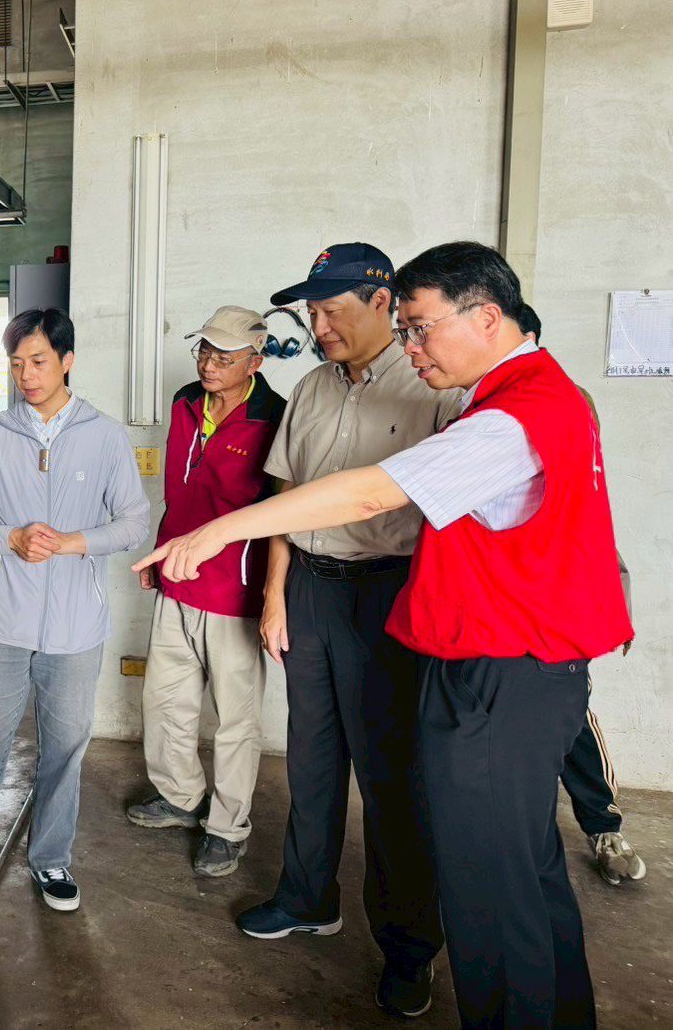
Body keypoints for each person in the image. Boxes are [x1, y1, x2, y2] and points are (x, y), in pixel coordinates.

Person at [138, 241, 633, 1028]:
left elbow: (371, 495)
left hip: (496, 674)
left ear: (485, 315)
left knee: (486, 893)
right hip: (479, 655)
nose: (411, 345)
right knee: (524, 877)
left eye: (419, 327)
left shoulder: (510, 416)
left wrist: (217, 530)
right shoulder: (530, 394)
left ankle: (431, 965)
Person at [204, 244, 451, 1017]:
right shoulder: (309, 388)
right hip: (310, 592)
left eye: (332, 309)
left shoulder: (431, 388)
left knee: (390, 779)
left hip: (387, 598)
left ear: (383, 302)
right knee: (309, 761)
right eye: (310, 312)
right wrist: (275, 595)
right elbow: (288, 496)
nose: (318, 325)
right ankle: (307, 895)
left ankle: (409, 948)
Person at [0, 308, 149, 911]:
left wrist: (74, 542)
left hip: (76, 627)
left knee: (67, 746)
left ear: (67, 360)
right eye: (16, 363)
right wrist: (11, 539)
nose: (25, 374)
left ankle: (51, 860)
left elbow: (134, 521)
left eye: (39, 361)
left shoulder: (104, 435)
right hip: (1, 620)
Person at [126, 306, 286, 879]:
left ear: (256, 359)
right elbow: (177, 492)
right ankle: (179, 795)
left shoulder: (275, 418)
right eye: (204, 351)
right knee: (166, 699)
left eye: (225, 356)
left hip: (234, 592)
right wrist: (161, 552)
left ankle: (227, 826)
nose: (210, 364)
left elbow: (279, 519)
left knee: (236, 719)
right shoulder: (184, 403)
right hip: (177, 580)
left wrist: (274, 594)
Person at [520, 307, 647, 888]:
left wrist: (612, 599)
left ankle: (602, 823)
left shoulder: (566, 399)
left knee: (570, 719)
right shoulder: (453, 400)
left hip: (556, 594)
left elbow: (588, 511)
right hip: (494, 600)